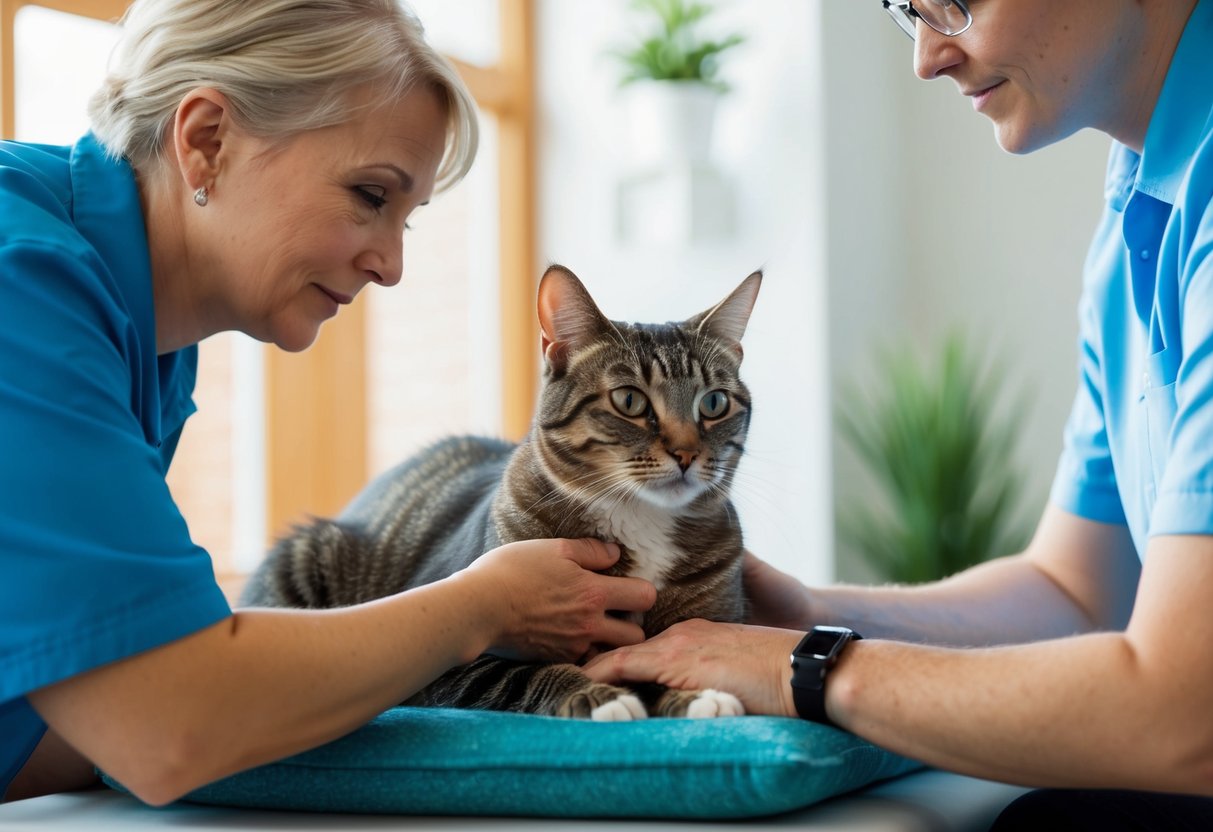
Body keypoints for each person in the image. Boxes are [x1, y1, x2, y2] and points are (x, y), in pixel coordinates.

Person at [0, 0, 655, 806]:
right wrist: (481, 606)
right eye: (371, 195)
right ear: (207, 140)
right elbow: (164, 726)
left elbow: (70, 704)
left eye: (408, 220)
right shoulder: (24, 286)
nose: (391, 266)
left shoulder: (149, 339)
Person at [586, 0, 1213, 827]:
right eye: (901, 12)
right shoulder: (1137, 211)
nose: (926, 58)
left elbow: (1185, 716)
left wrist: (800, 667)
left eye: (951, 1)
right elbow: (1075, 591)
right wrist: (808, 612)